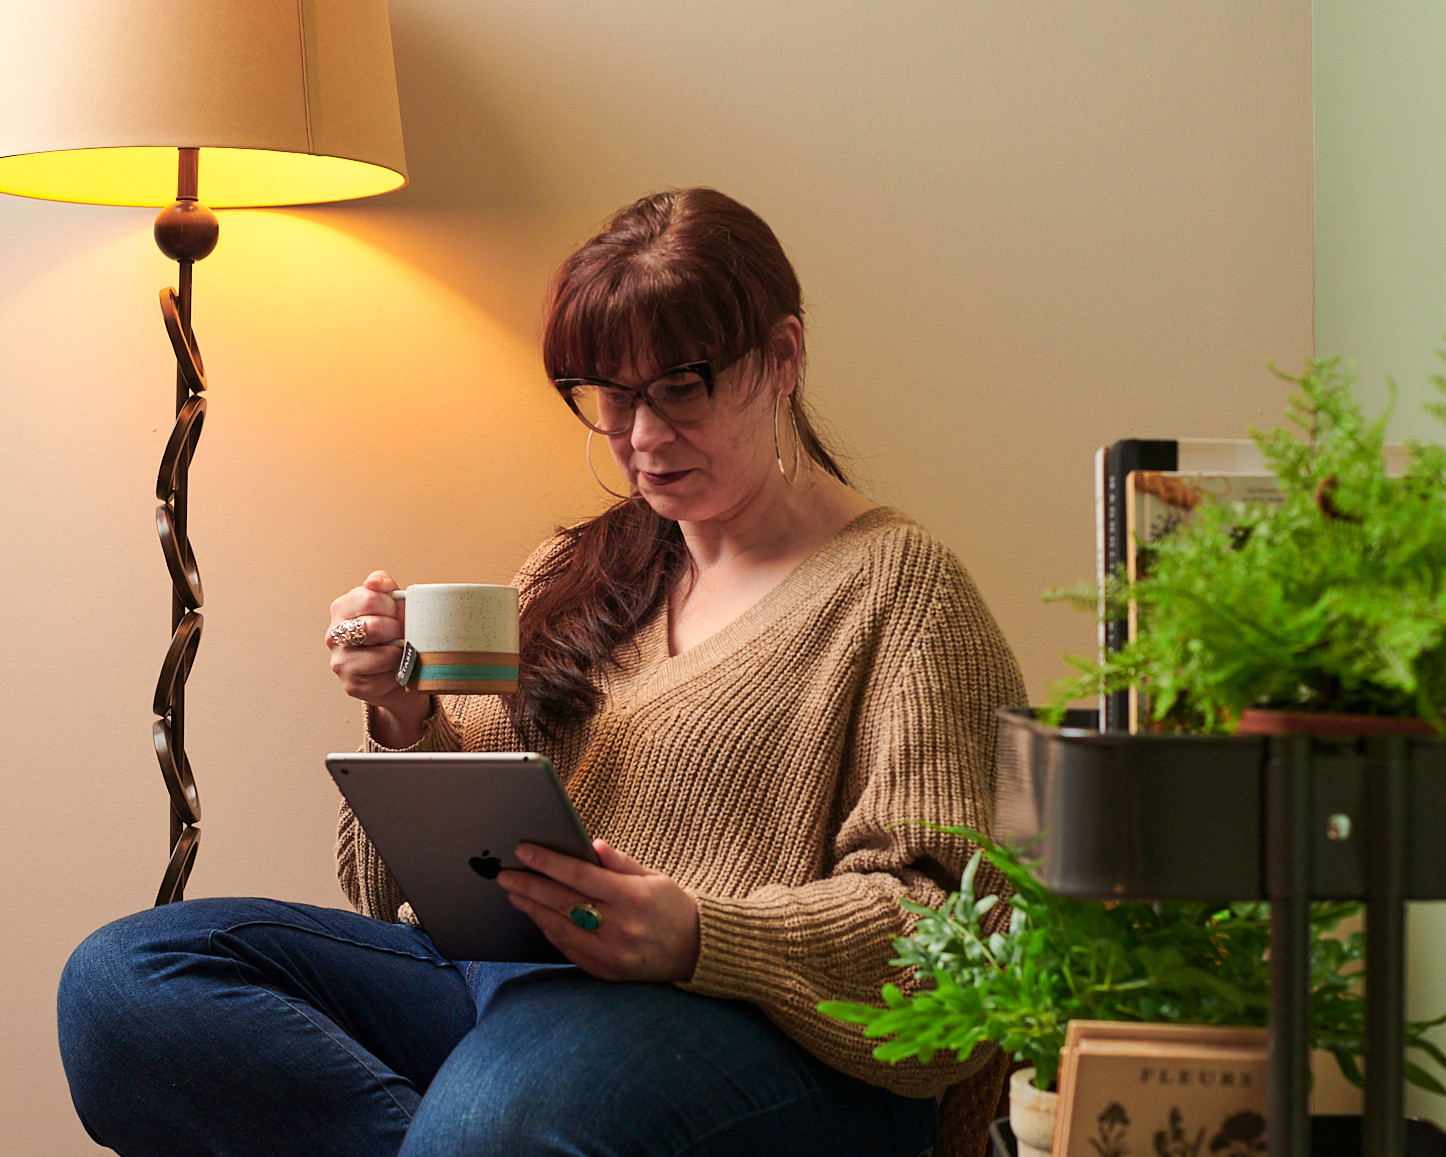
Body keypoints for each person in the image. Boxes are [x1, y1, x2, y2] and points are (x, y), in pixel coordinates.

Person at [57, 187, 1026, 1157]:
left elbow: (952, 940)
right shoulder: (579, 568)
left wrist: (695, 932)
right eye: (610, 396)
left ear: (782, 357)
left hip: (749, 1032)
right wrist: (401, 710)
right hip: (502, 983)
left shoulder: (902, 591)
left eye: (679, 387)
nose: (641, 437)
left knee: (511, 1107)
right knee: (125, 982)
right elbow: (390, 889)